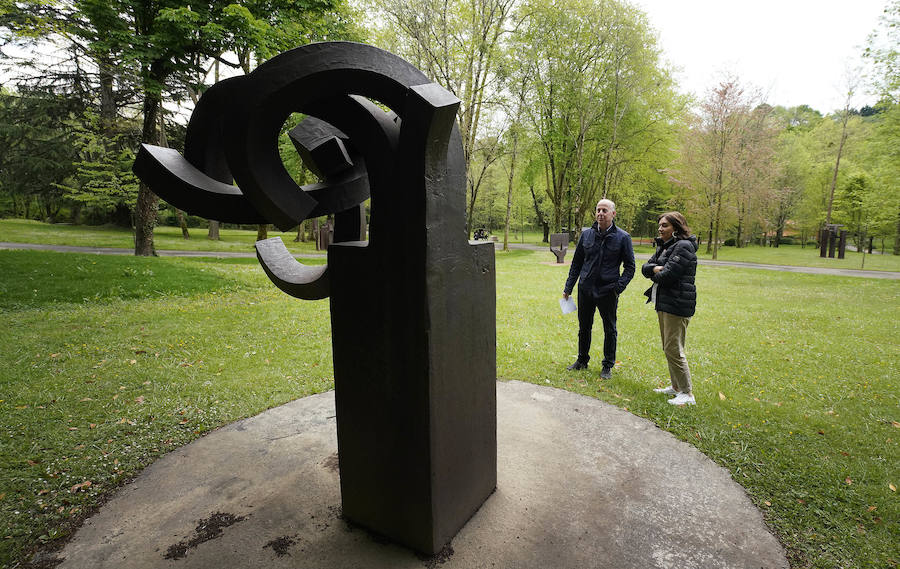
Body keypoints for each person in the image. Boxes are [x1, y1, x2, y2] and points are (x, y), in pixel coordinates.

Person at [563, 199, 635, 379]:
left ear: (613, 214)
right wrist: (568, 287)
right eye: (598, 210)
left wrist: (618, 288)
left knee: (609, 328)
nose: (601, 213)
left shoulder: (623, 237)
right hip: (585, 289)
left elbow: (630, 267)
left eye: (605, 210)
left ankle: (607, 365)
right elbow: (577, 263)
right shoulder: (586, 235)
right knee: (584, 327)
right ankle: (582, 360)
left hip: (607, 291)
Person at [641, 211, 698, 406]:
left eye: (665, 225)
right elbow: (645, 268)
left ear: (676, 227)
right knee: (668, 347)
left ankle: (687, 393)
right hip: (664, 301)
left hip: (677, 304)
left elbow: (668, 275)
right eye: (660, 225)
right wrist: (656, 268)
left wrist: (656, 270)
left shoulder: (684, 246)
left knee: (674, 348)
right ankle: (676, 387)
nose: (660, 228)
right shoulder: (666, 247)